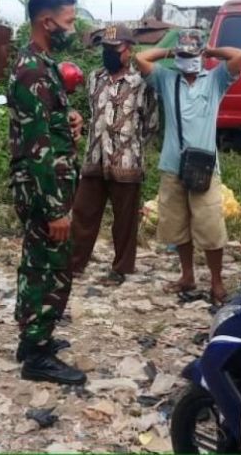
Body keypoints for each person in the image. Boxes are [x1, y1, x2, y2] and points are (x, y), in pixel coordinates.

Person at [7, 0, 86, 386]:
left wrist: (69, 120)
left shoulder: (43, 63)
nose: (72, 28)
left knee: (40, 262)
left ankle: (33, 339)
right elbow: (37, 146)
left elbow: (47, 123)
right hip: (45, 187)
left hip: (49, 182)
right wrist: (55, 208)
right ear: (47, 21)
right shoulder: (33, 69)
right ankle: (36, 354)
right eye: (69, 21)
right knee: (49, 267)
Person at [135, 30, 241, 304]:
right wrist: (170, 52)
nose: (187, 60)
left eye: (191, 54)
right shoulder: (166, 78)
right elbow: (140, 58)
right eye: (182, 55)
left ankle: (217, 282)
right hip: (172, 166)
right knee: (177, 225)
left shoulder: (216, 79)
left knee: (210, 227)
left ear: (201, 56)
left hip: (205, 167)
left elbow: (240, 56)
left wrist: (211, 50)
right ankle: (187, 276)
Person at [70, 25, 159, 286]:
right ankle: (74, 264)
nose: (109, 54)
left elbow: (151, 123)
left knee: (124, 220)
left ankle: (120, 268)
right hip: (95, 158)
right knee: (83, 213)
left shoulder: (141, 82)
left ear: (128, 51)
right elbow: (92, 112)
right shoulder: (94, 78)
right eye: (105, 49)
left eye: (114, 49)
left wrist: (131, 148)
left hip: (127, 162)